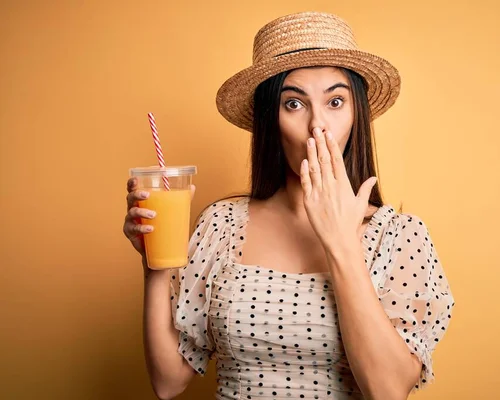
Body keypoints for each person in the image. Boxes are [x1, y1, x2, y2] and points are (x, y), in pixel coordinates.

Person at [123, 11, 454, 400]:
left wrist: (341, 243)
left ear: (356, 115)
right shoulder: (221, 224)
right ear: (269, 120)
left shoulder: (401, 236)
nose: (319, 126)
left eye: (335, 101)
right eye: (294, 104)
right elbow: (167, 382)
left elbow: (388, 391)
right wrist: (155, 265)